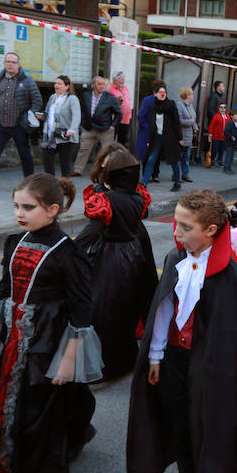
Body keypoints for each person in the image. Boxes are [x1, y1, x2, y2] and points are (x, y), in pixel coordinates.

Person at [127, 189, 237, 473]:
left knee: (208, 434)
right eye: (176, 223)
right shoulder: (176, 258)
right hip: (176, 362)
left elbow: (233, 343)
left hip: (211, 372)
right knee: (181, 428)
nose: (177, 232)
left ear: (211, 230)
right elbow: (163, 310)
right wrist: (156, 355)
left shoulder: (229, 276)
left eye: (186, 227)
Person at [0, 174, 102, 473]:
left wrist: (68, 359)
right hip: (14, 339)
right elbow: (4, 292)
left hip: (47, 341)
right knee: (9, 400)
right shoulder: (14, 242)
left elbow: (81, 310)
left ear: (53, 210)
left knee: (36, 409)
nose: (19, 214)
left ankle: (28, 471)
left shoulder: (68, 253)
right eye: (16, 207)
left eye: (28, 207)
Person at [75, 148, 157, 380]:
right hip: (136, 251)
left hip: (112, 257)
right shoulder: (136, 194)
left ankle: (111, 366)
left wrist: (66, 251)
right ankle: (127, 357)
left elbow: (91, 232)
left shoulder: (107, 199)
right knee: (125, 309)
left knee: (104, 312)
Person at [0, 52, 43, 190]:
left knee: (25, 155)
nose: (10, 64)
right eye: (8, 61)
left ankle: (30, 183)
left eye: (13, 62)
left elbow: (37, 100)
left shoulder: (27, 81)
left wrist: (30, 116)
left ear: (18, 64)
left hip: (19, 125)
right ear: (5, 63)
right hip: (0, 124)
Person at [72, 76, 122, 177]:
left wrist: (113, 126)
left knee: (107, 151)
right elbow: (81, 110)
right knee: (83, 149)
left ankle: (108, 171)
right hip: (88, 127)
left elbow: (118, 113)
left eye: (103, 84)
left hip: (105, 129)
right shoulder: (86, 95)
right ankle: (78, 169)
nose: (102, 86)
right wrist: (83, 122)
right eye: (99, 84)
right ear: (93, 85)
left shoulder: (110, 97)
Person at [140, 81, 184, 191]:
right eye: (160, 92)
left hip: (171, 138)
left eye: (164, 92)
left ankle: (177, 183)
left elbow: (176, 122)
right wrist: (150, 139)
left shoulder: (171, 104)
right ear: (155, 94)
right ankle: (144, 183)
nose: (162, 94)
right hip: (157, 138)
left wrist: (180, 138)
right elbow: (152, 124)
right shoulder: (152, 107)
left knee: (174, 161)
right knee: (151, 159)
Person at [41, 75, 80, 177]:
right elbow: (49, 114)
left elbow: (77, 116)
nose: (56, 86)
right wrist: (41, 116)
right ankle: (51, 186)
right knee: (47, 162)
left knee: (64, 165)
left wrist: (72, 129)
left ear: (67, 86)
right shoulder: (52, 97)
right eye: (55, 83)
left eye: (59, 84)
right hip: (50, 135)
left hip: (65, 136)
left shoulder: (72, 99)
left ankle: (66, 188)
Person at [176, 87, 198, 183]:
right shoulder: (180, 105)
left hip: (189, 136)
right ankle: (176, 175)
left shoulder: (190, 106)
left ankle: (185, 175)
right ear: (187, 95)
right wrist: (190, 122)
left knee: (186, 157)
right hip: (182, 135)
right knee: (179, 157)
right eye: (192, 94)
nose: (193, 96)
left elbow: (194, 120)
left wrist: (196, 128)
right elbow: (178, 120)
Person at [108, 71, 132, 146]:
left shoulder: (125, 88)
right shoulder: (110, 88)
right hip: (114, 120)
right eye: (119, 79)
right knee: (109, 141)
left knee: (122, 142)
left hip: (125, 119)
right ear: (114, 79)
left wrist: (130, 116)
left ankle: (119, 157)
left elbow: (128, 102)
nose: (122, 81)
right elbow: (107, 103)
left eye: (123, 79)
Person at [208, 103, 230, 168]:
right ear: (218, 108)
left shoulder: (227, 116)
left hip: (224, 137)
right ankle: (212, 161)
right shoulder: (216, 116)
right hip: (216, 136)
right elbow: (211, 125)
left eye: (224, 107)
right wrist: (210, 133)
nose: (222, 109)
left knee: (221, 150)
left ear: (226, 109)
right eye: (221, 107)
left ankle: (220, 160)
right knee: (215, 149)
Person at [222, 109, 237, 174]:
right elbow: (226, 131)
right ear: (232, 116)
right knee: (228, 155)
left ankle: (229, 168)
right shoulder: (230, 123)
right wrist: (231, 137)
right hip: (229, 143)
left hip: (234, 143)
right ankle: (226, 168)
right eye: (236, 115)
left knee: (231, 156)